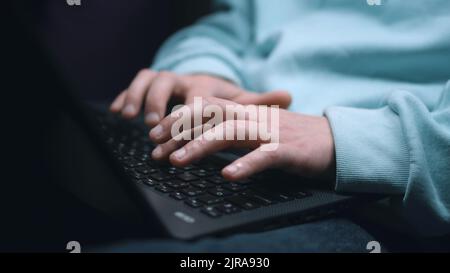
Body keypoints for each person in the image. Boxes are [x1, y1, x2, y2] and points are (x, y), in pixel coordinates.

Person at [108, 0, 450, 251]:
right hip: (222, 154)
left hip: (374, 208)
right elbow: (230, 26)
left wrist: (349, 142)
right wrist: (205, 70)